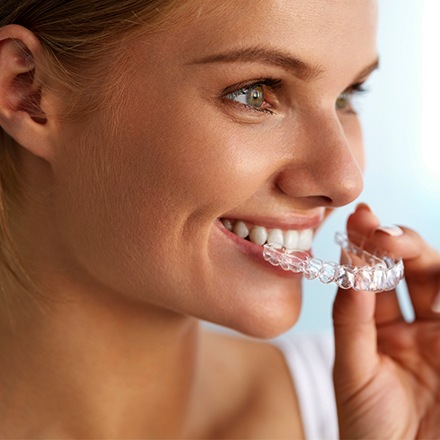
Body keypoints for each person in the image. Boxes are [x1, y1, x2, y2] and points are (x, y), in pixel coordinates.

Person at [0, 0, 439, 438]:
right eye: (255, 92)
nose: (344, 181)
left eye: (346, 96)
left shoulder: (387, 405)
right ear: (28, 92)